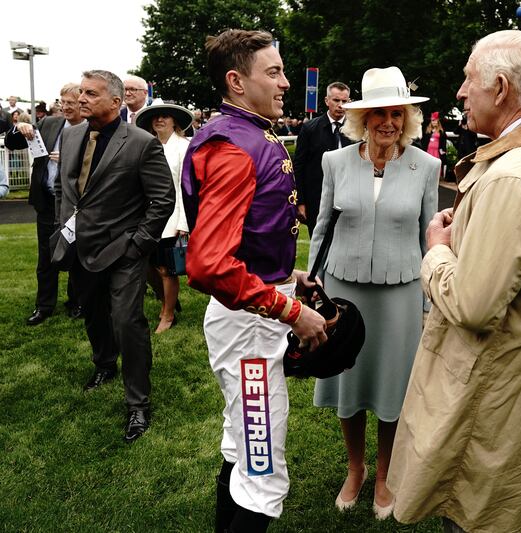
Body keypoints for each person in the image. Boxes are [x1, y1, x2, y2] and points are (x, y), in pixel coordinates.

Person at [388, 30, 521, 533]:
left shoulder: (513, 176)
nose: (460, 92)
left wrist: (436, 252)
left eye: (467, 80)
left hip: (496, 401)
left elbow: (476, 305)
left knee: (485, 516)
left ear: (499, 88)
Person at [181, 29, 327, 533]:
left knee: (242, 440)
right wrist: (291, 310)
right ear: (236, 82)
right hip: (249, 323)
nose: (286, 82)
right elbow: (207, 264)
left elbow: (244, 242)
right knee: (261, 464)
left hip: (253, 309)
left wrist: (291, 277)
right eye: (274, 72)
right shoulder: (234, 146)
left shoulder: (245, 133)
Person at [308, 66, 439, 520]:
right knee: (350, 384)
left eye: (397, 114)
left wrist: (428, 302)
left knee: (390, 389)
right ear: (362, 120)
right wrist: (313, 282)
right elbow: (322, 225)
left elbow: (430, 238)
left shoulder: (427, 166)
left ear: (407, 118)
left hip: (400, 295)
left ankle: (384, 475)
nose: (389, 122)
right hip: (344, 290)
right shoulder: (335, 162)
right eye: (379, 114)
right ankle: (355, 468)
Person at [50, 70, 174, 443]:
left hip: (124, 250)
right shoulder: (71, 134)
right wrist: (64, 228)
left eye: (91, 93)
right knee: (91, 311)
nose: (81, 98)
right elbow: (65, 189)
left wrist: (138, 243)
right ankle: (104, 364)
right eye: (81, 91)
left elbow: (162, 199)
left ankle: (138, 403)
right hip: (80, 246)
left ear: (116, 103)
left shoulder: (140, 142)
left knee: (126, 321)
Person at [4, 82, 83, 325]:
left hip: (76, 204)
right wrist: (20, 127)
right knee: (46, 256)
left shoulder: (92, 130)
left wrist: (69, 160)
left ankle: (77, 302)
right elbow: (12, 143)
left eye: (71, 103)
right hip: (47, 202)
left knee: (77, 255)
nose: (66, 107)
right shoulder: (50, 123)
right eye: (63, 102)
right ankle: (44, 305)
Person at [135, 101, 192, 333]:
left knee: (167, 269)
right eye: (156, 117)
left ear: (174, 121)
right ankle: (167, 301)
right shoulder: (146, 145)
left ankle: (168, 315)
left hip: (173, 216)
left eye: (165, 116)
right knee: (147, 265)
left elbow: (186, 187)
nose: (160, 120)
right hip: (146, 216)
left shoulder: (185, 147)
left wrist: (184, 222)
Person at [294, 81, 353, 238]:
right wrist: (300, 202)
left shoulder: (356, 130)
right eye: (336, 100)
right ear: (327, 101)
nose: (340, 105)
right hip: (316, 200)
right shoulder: (310, 129)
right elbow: (298, 166)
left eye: (344, 101)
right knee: (318, 246)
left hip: (349, 200)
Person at [421, 111, 448, 177]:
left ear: (438, 121)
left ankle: (435, 177)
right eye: (432, 121)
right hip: (428, 150)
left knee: (436, 164)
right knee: (428, 163)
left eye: (435, 121)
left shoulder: (441, 131)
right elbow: (424, 141)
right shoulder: (428, 130)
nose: (434, 122)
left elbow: (444, 141)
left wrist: (443, 150)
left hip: (437, 151)